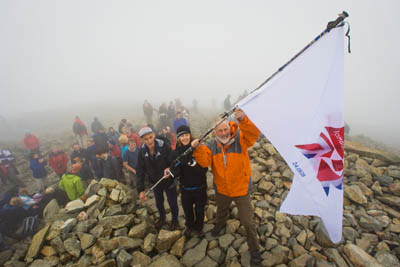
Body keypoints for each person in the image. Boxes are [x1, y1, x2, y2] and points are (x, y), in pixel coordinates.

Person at [191, 109, 262, 266]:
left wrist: (243, 120)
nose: (223, 133)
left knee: (248, 222)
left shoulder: (240, 139)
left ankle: (255, 250)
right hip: (222, 188)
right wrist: (197, 149)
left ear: (229, 128)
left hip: (241, 189)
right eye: (220, 131)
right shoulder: (210, 145)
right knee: (221, 210)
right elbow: (204, 162)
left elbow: (253, 134)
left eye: (225, 129)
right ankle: (220, 225)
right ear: (214, 132)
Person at [136, 127, 179, 230]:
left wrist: (170, 168)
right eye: (146, 139)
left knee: (172, 202)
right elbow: (140, 170)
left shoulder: (164, 146)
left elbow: (174, 160)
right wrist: (141, 189)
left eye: (150, 137)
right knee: (159, 202)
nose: (149, 141)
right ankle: (162, 218)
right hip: (155, 182)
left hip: (168, 180)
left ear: (154, 135)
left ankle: (175, 220)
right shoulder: (141, 152)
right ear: (142, 140)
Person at [170, 125, 208, 238]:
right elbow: (174, 169)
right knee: (187, 210)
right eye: (182, 136)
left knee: (200, 209)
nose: (185, 138)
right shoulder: (175, 153)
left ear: (190, 135)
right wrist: (171, 172)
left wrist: (194, 164)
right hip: (185, 188)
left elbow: (204, 169)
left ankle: (199, 227)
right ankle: (190, 226)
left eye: (186, 135)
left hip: (200, 187)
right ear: (178, 138)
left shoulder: (199, 148)